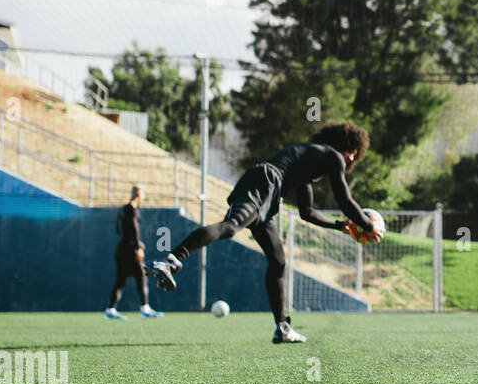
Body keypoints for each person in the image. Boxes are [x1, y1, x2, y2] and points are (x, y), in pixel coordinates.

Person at [145, 121, 381, 343]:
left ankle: (282, 328)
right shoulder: (333, 156)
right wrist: (367, 225)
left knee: (278, 260)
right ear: (348, 149)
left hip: (267, 192)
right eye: (352, 153)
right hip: (264, 183)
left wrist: (341, 226)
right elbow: (345, 199)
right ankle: (171, 260)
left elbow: (307, 212)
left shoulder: (309, 162)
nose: (351, 158)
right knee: (230, 228)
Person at [104, 184, 161, 319]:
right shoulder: (132, 210)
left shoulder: (123, 209)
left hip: (121, 248)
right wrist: (137, 248)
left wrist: (133, 242)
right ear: (138, 194)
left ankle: (110, 310)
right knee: (141, 277)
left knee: (121, 280)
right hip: (130, 250)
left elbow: (119, 230)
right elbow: (134, 230)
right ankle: (145, 309)